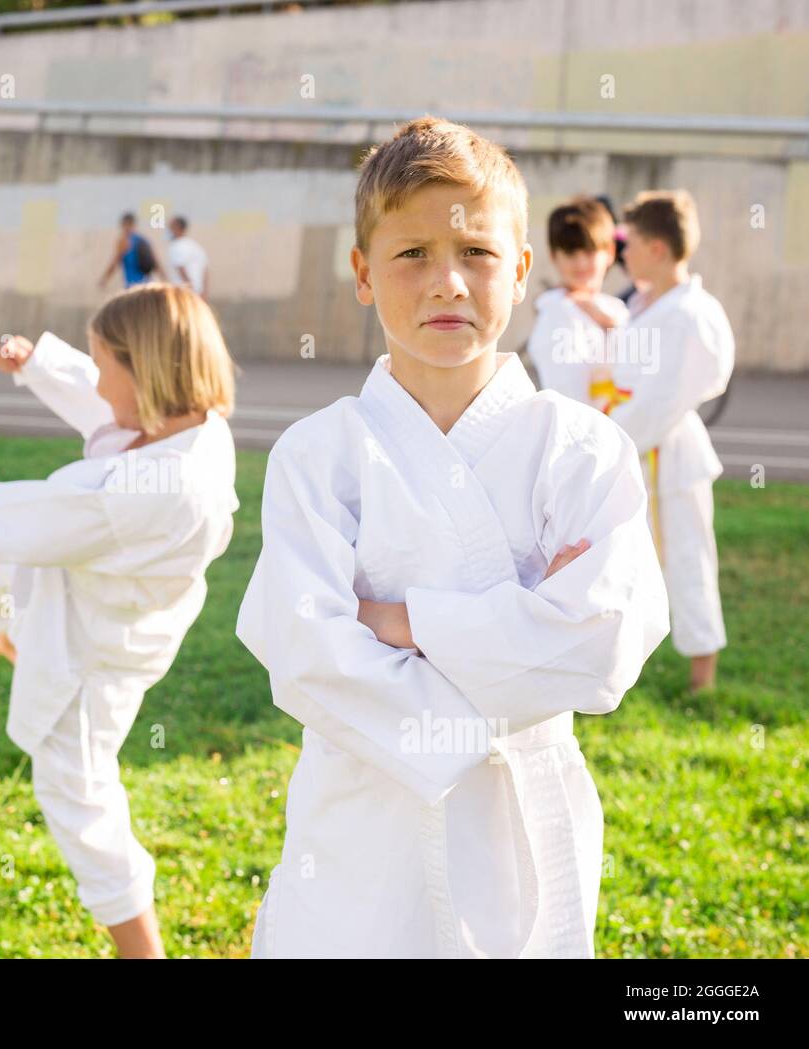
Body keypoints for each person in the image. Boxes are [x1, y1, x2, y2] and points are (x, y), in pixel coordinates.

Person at [235, 117, 669, 958]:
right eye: (411, 255)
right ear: (362, 274)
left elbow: (604, 646)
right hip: (360, 828)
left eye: (475, 253)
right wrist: (521, 635)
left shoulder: (581, 450)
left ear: (520, 269)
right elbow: (306, 652)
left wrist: (401, 621)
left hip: (518, 831)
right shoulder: (319, 456)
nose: (447, 283)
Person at [0, 283, 239, 958]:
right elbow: (103, 408)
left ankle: (141, 947)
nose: (97, 380)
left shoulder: (154, 488)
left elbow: (51, 517)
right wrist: (41, 362)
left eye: (105, 366)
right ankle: (10, 636)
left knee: (75, 786)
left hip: (99, 653)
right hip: (95, 619)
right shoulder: (179, 426)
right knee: (68, 761)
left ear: (149, 370)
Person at [605, 190, 735, 692]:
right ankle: (619, 662)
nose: (624, 252)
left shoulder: (691, 314)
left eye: (631, 242)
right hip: (636, 444)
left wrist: (614, 435)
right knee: (626, 560)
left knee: (686, 558)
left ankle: (703, 674)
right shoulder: (644, 304)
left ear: (657, 248)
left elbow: (669, 395)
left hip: (668, 452)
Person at [526, 197, 629, 407]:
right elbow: (570, 397)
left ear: (609, 253)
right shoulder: (557, 311)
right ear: (554, 256)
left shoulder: (615, 309)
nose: (581, 263)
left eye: (590, 252)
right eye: (571, 253)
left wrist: (611, 325)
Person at [99, 212, 166, 290]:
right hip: (147, 283)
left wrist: (104, 279)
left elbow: (114, 263)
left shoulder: (123, 241)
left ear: (123, 225)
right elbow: (156, 263)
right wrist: (165, 280)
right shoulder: (143, 240)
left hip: (132, 285)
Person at [166, 216, 209, 299]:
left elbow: (181, 269)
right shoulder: (195, 246)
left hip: (182, 292)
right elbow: (206, 269)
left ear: (178, 227)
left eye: (170, 227)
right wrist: (204, 291)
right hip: (196, 291)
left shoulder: (176, 246)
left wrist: (190, 287)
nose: (168, 230)